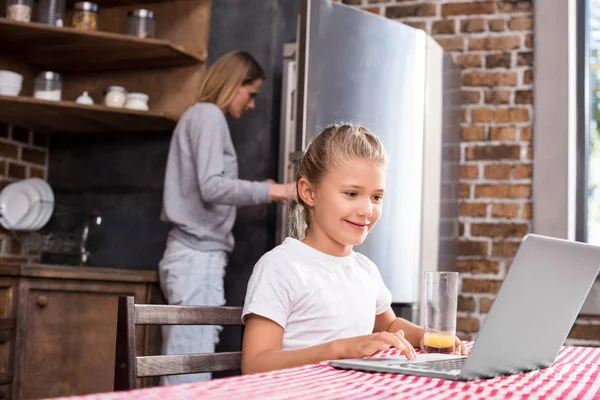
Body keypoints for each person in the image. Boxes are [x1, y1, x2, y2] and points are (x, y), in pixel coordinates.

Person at [240, 123, 468, 374]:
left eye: (376, 197)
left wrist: (425, 336)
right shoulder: (281, 267)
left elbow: (389, 326)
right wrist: (339, 349)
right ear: (308, 193)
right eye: (351, 193)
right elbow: (254, 365)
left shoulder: (365, 270)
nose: (367, 210)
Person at [159, 50, 295, 384]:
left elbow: (207, 185)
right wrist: (274, 191)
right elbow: (211, 187)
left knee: (184, 359)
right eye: (250, 94)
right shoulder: (208, 115)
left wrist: (260, 188)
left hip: (190, 256)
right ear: (233, 84)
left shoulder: (197, 116)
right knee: (189, 368)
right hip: (197, 258)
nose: (251, 105)